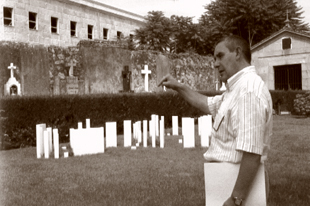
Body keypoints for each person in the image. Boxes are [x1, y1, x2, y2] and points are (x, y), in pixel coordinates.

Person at [158, 35, 272, 206]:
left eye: (220, 56)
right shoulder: (236, 89)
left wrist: (236, 200)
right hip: (225, 185)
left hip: (237, 192)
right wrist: (178, 86)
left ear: (238, 53)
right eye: (214, 58)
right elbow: (208, 104)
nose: (215, 63)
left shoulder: (248, 92)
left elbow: (252, 154)